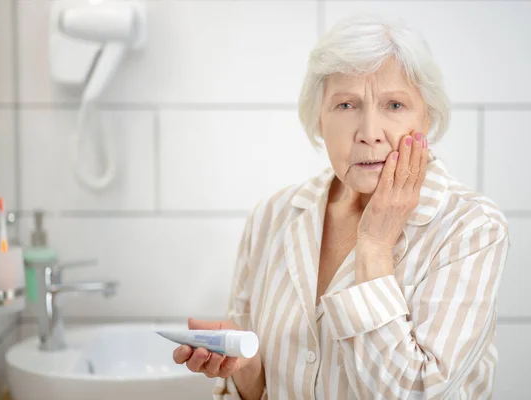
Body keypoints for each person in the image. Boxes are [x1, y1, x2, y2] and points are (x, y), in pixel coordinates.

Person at [172, 13, 510, 399]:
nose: (369, 134)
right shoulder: (273, 215)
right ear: (319, 118)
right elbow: (250, 390)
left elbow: (420, 393)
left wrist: (375, 248)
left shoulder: (470, 226)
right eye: (346, 105)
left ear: (428, 118)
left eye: (395, 105)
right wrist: (247, 373)